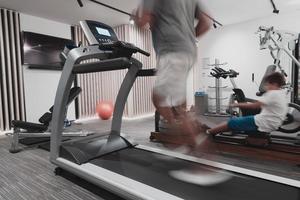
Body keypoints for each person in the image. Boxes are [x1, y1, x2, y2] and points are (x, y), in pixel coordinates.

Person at [134, 0, 211, 147]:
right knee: (178, 108)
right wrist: (186, 37)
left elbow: (144, 20)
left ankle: (201, 158)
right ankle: (186, 145)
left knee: (159, 100)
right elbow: (206, 23)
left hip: (172, 52)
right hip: (188, 52)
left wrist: (136, 19)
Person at [205, 72, 289, 136]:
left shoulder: (273, 93)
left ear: (274, 84)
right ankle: (214, 129)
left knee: (231, 122)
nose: (266, 86)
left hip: (262, 123)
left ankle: (208, 132)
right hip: (273, 123)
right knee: (235, 120)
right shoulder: (281, 93)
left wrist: (236, 105)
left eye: (268, 84)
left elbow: (254, 106)